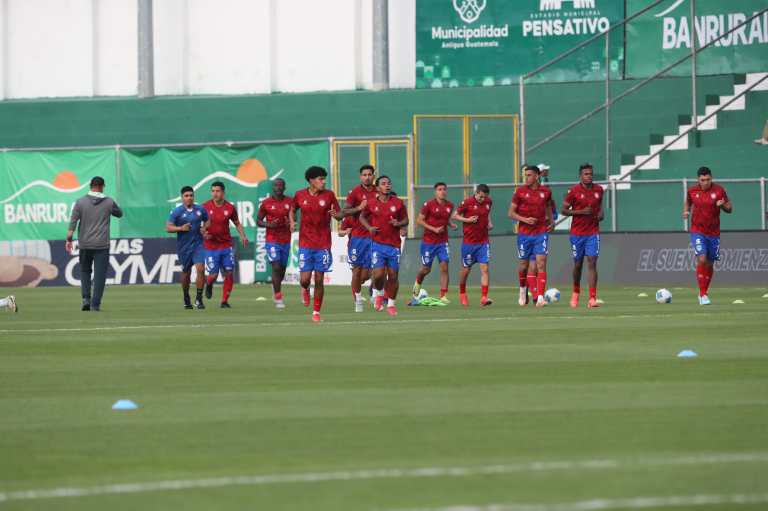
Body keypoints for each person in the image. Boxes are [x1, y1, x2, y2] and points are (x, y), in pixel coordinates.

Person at [290, 166, 344, 322]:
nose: (323, 181)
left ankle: (316, 312)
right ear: (311, 181)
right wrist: (292, 221)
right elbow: (292, 209)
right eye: (320, 179)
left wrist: (337, 216)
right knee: (304, 279)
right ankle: (305, 289)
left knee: (319, 279)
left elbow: (340, 215)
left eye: (324, 178)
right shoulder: (300, 195)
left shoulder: (329, 195)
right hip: (305, 243)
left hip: (323, 244)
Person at [65, 176, 123, 311]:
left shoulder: (80, 202)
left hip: (84, 244)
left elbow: (72, 223)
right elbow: (119, 213)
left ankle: (86, 299)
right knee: (99, 275)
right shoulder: (109, 202)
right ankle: (95, 304)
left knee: (85, 271)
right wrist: (110, 209)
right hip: (102, 245)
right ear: (102, 186)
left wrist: (69, 240)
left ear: (90, 185)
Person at [359, 175, 409, 316]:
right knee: (379, 274)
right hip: (378, 244)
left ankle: (391, 304)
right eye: (383, 183)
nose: (387, 185)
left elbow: (406, 220)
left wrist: (398, 224)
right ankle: (379, 295)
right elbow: (362, 217)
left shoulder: (398, 203)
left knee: (393, 276)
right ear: (378, 187)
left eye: (389, 183)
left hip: (394, 245)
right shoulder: (371, 203)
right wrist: (369, 227)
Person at [683, 166, 732, 305]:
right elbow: (688, 202)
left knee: (710, 263)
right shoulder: (692, 190)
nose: (705, 182)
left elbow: (730, 209)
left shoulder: (719, 190)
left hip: (714, 233)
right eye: (702, 180)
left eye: (708, 179)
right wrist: (686, 211)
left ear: (712, 178)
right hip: (697, 231)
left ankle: (704, 292)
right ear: (698, 179)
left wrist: (722, 205)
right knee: (702, 258)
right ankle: (703, 294)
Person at [509, 165, 554, 308]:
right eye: (525, 175)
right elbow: (510, 213)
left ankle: (540, 297)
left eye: (529, 175)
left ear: (537, 176)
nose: (526, 178)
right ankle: (523, 289)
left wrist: (551, 222)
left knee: (541, 263)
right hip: (524, 234)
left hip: (541, 232)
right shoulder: (520, 192)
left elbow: (548, 207)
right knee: (524, 265)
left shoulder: (546, 192)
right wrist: (524, 219)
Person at [561, 163, 604, 308]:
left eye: (591, 173)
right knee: (578, 264)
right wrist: (581, 212)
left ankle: (592, 298)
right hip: (577, 233)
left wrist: (600, 215)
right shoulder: (573, 191)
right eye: (586, 174)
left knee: (592, 262)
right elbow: (564, 211)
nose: (589, 176)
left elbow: (600, 209)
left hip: (593, 232)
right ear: (580, 176)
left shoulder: (599, 190)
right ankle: (575, 292)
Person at [202, 181, 249, 308]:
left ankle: (224, 301)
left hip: (226, 245)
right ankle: (209, 284)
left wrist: (243, 236)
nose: (215, 194)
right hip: (211, 246)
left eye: (217, 191)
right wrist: (203, 233)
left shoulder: (229, 208)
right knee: (213, 275)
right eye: (213, 191)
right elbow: (199, 225)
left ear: (223, 192)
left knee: (229, 272)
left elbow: (237, 223)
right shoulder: (205, 207)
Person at [167, 186, 209, 309]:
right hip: (184, 248)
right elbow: (168, 227)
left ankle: (199, 299)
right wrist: (180, 228)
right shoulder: (177, 212)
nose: (189, 198)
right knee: (186, 273)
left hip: (198, 245)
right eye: (186, 196)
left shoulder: (200, 209)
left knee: (201, 269)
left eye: (191, 195)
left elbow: (207, 221)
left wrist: (204, 228)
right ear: (182, 198)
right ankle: (186, 296)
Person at [413, 182, 456, 303]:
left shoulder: (450, 205)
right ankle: (418, 282)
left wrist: (450, 224)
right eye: (439, 189)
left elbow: (445, 218)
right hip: (428, 242)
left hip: (443, 242)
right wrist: (434, 229)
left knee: (444, 267)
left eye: (444, 189)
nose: (442, 191)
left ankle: (443, 295)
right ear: (435, 192)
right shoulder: (428, 205)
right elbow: (419, 220)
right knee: (426, 269)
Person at [344, 164, 379, 312]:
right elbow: (344, 211)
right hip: (358, 238)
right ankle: (358, 300)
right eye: (364, 175)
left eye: (370, 174)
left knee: (372, 272)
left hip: (375, 236)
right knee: (357, 271)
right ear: (361, 177)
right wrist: (358, 208)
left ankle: (375, 293)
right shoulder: (355, 193)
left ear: (373, 176)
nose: (367, 177)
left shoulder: (379, 192)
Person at [453, 184, 494, 307]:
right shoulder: (467, 203)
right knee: (466, 270)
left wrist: (489, 223)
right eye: (481, 197)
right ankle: (462, 293)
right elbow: (455, 215)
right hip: (469, 243)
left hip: (483, 242)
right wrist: (468, 220)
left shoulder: (488, 202)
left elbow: (487, 213)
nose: (483, 199)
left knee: (485, 269)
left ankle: (484, 297)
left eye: (485, 197)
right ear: (476, 193)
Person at [257, 178, 292, 309]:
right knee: (276, 267)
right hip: (272, 240)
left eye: (281, 185)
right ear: (273, 188)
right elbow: (258, 220)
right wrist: (268, 224)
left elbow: (294, 217)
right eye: (276, 185)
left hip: (286, 240)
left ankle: (275, 286)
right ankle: (278, 296)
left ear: (284, 187)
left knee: (282, 270)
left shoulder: (290, 201)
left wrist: (291, 223)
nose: (278, 188)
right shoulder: (266, 203)